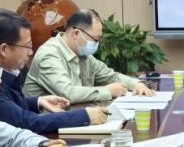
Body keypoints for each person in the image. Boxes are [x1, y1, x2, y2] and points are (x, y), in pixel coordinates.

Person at [0, 9, 109, 132]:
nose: (31, 53)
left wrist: (38, 101)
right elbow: (25, 122)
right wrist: (84, 116)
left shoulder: (8, 72)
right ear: (4, 50)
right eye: (27, 46)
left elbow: (10, 106)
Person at [23, 9, 155, 102]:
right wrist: (107, 91)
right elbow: (68, 94)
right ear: (76, 34)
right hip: (45, 127)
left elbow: (111, 76)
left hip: (73, 118)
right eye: (95, 39)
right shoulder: (49, 54)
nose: (97, 44)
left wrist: (136, 84)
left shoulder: (83, 55)